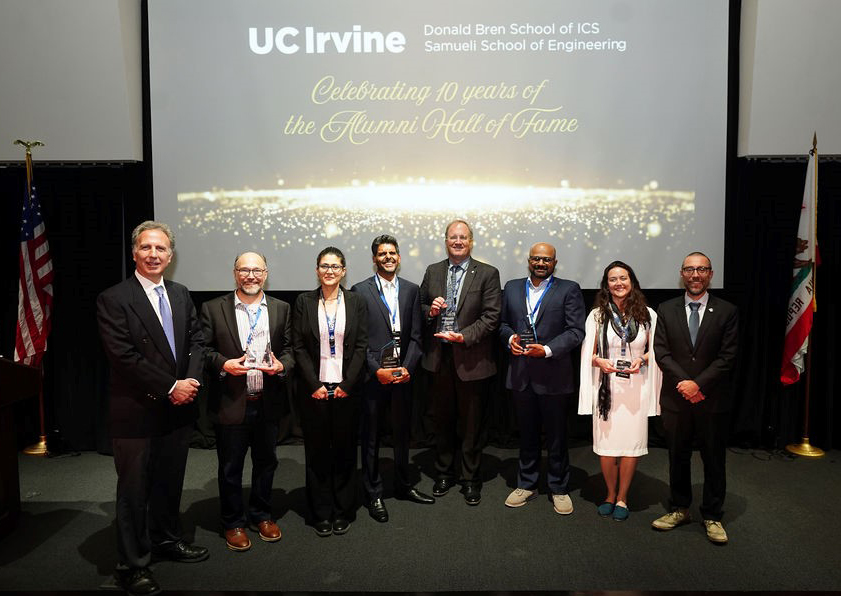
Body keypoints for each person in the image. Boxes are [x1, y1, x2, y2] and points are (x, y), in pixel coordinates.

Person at [96, 221, 208, 596]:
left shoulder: (180, 293)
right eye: (146, 248)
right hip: (136, 412)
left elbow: (196, 340)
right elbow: (124, 358)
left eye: (161, 249)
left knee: (169, 483)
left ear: (171, 256)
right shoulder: (114, 298)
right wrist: (170, 387)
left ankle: (166, 540)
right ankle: (132, 565)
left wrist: (189, 382)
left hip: (177, 410)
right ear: (134, 252)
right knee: (134, 491)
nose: (154, 254)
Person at [199, 252, 294, 551]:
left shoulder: (282, 308)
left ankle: (262, 515)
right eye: (244, 270)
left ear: (266, 274)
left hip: (268, 400)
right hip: (232, 400)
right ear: (235, 273)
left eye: (256, 270)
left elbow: (291, 349)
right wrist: (223, 364)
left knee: (267, 463)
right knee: (230, 467)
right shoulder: (213, 308)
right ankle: (233, 522)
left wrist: (283, 365)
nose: (250, 276)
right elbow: (203, 350)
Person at [651, 252, 738, 544]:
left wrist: (697, 385)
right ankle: (680, 508)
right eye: (690, 269)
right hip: (676, 399)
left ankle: (712, 514)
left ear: (710, 274)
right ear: (682, 273)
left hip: (711, 399)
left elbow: (727, 357)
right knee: (678, 456)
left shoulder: (727, 311)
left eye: (701, 269)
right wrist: (685, 384)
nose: (695, 275)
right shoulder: (666, 308)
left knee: (714, 458)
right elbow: (661, 352)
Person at [351, 235, 435, 523]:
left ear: (399, 258)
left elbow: (416, 336)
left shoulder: (412, 290)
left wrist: (408, 367)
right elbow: (358, 340)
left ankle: (402, 485)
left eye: (392, 253)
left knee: (402, 434)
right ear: (374, 258)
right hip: (374, 376)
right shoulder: (359, 290)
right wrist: (377, 370)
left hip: (404, 375)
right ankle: (373, 492)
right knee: (371, 436)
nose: (388, 257)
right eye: (382, 253)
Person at [499, 242, 586, 514]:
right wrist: (510, 338)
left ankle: (559, 488)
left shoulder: (568, 289)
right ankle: (526, 483)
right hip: (521, 375)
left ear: (554, 262)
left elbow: (575, 331)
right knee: (526, 434)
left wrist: (547, 350)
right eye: (536, 258)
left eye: (546, 260)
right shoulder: (512, 288)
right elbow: (502, 324)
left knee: (558, 436)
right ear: (529, 260)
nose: (540, 263)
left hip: (554, 375)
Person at [420, 219, 501, 505]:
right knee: (441, 421)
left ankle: (470, 478)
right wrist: (430, 310)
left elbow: (491, 317)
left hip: (472, 360)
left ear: (471, 241)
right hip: (438, 360)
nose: (457, 241)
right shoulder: (433, 271)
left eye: (463, 237)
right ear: (446, 240)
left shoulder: (488, 273)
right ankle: (443, 473)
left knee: (471, 424)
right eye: (453, 237)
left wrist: (462, 337)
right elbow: (419, 306)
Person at [578, 261, 662, 521]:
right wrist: (598, 361)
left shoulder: (648, 314)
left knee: (630, 447)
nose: (618, 283)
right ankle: (609, 494)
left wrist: (643, 359)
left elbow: (657, 349)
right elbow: (587, 354)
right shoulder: (597, 315)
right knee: (607, 447)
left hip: (636, 386)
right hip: (607, 388)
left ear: (632, 281)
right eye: (612, 279)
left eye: (623, 278)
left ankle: (623, 497)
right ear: (606, 285)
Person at [292, 247, 368, 536]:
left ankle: (342, 509)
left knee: (346, 451)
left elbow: (361, 345)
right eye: (324, 266)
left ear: (344, 270)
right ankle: (321, 511)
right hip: (315, 390)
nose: (330, 271)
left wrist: (347, 385)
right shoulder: (304, 301)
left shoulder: (357, 302)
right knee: (318, 453)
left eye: (335, 266)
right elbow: (298, 346)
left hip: (347, 389)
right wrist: (315, 385)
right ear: (317, 270)